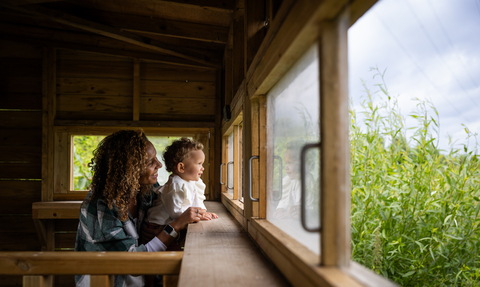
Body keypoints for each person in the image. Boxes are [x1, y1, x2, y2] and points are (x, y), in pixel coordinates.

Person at [74, 130, 203, 287]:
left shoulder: (146, 190)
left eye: (156, 158)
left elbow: (163, 228)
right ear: (129, 170)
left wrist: (163, 232)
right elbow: (132, 263)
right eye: (150, 162)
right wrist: (172, 229)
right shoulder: (100, 208)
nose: (160, 165)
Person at [144, 138, 218, 248]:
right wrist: (197, 215)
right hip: (156, 227)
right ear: (181, 167)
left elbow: (197, 201)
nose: (202, 168)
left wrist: (203, 213)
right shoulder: (175, 184)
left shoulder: (191, 181)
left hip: (170, 225)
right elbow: (176, 212)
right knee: (172, 251)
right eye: (199, 163)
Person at [273, 139, 316, 219]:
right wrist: (280, 209)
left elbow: (308, 207)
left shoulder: (307, 180)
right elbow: (284, 200)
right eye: (286, 163)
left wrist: (290, 213)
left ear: (303, 164)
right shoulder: (289, 180)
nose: (286, 167)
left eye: (290, 163)